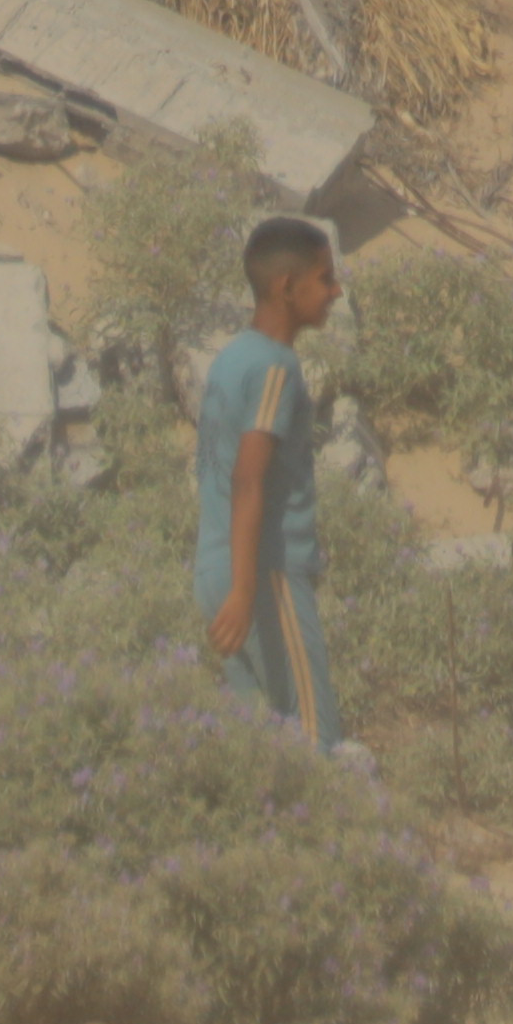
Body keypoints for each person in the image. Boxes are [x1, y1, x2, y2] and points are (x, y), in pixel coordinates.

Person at [200, 212, 344, 743]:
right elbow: (247, 480)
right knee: (314, 742)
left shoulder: (230, 359)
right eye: (325, 278)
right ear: (287, 286)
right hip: (266, 575)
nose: (336, 290)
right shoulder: (276, 367)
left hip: (213, 569)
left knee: (260, 749)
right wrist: (245, 589)